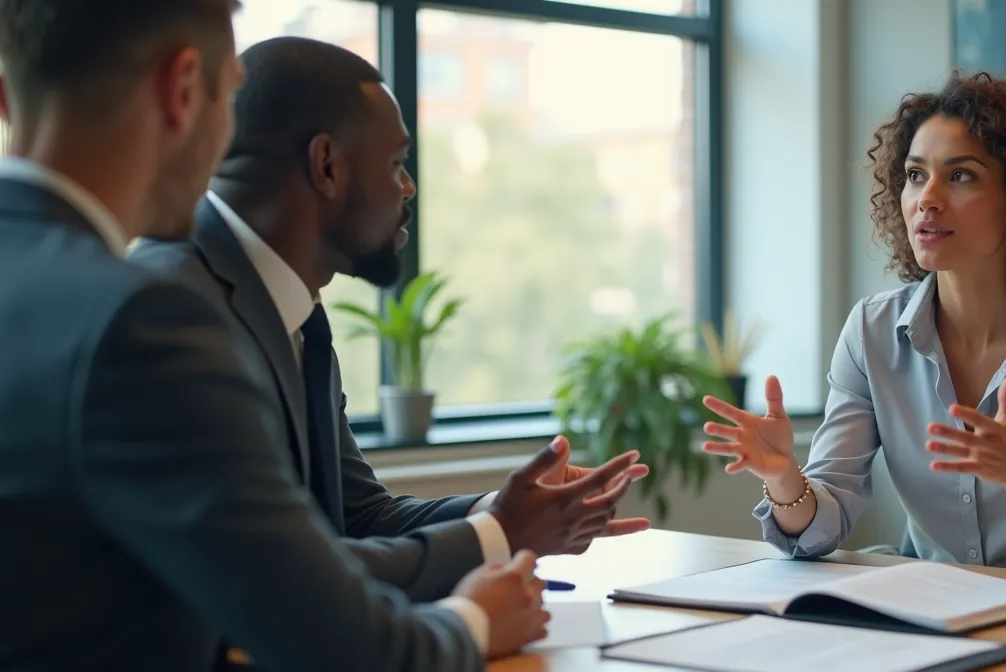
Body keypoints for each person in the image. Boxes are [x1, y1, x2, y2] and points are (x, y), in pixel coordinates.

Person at [0, 2, 604, 669]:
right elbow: (342, 645)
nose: (230, 142)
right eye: (229, 95)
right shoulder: (145, 319)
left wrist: (498, 519)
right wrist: (474, 619)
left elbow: (337, 523)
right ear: (182, 89)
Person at [131, 35, 651, 614]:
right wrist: (500, 537)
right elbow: (278, 574)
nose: (408, 188)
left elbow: (356, 518)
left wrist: (504, 511)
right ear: (327, 165)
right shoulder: (174, 312)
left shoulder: (291, 309)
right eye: (396, 164)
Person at [702, 71, 1006, 584]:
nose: (928, 198)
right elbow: (820, 528)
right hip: (935, 609)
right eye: (916, 175)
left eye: (960, 176)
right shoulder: (871, 331)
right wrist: (785, 476)